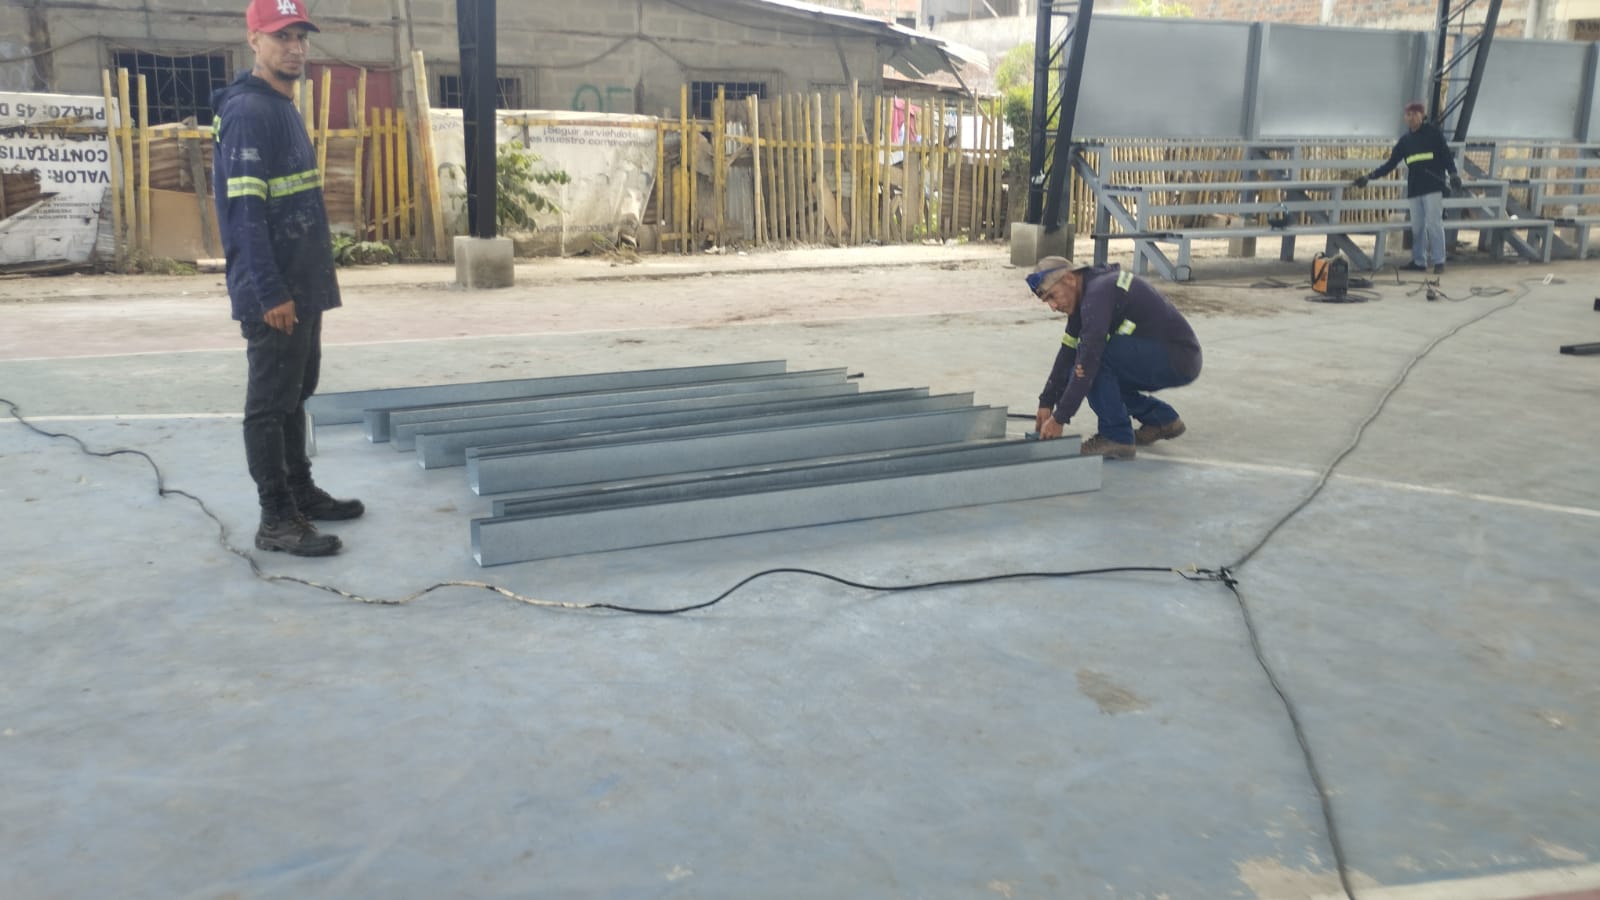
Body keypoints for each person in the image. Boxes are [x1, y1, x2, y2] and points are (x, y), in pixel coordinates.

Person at [212, 0, 362, 557]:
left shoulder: (281, 106)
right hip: (276, 292)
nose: (295, 48)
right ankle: (276, 518)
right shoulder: (249, 112)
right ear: (254, 40)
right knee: (270, 405)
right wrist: (270, 290)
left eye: (301, 36)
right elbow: (244, 213)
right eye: (282, 37)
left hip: (303, 284)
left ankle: (300, 492)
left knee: (297, 393)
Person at [1029, 257, 1202, 461]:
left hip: (1177, 358)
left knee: (1093, 363)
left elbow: (1087, 362)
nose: (1053, 306)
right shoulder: (1086, 294)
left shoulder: (1097, 294)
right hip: (1171, 356)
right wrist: (1047, 401)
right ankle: (1161, 420)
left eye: (1052, 296)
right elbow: (1067, 352)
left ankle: (1116, 437)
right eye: (1047, 301)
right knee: (1092, 371)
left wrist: (1060, 418)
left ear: (1069, 279)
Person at [1353, 101, 1463, 274]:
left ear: (1422, 115)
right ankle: (1419, 261)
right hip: (1415, 188)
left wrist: (1453, 173)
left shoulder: (1434, 134)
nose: (1411, 118)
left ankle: (1439, 261)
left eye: (1415, 114)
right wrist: (1370, 176)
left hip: (1433, 186)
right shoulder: (1405, 141)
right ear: (1405, 117)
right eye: (1408, 114)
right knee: (1417, 227)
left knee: (1434, 224)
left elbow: (1446, 155)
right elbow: (1390, 164)